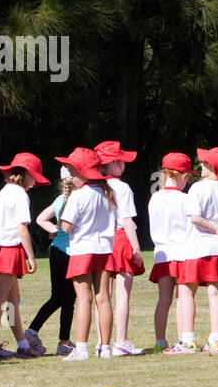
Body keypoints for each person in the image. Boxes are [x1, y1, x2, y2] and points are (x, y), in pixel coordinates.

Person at [0, 151, 46, 361]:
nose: (35, 181)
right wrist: (31, 257)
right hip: (9, 248)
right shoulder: (19, 194)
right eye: (34, 175)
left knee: (12, 301)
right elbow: (22, 228)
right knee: (1, 300)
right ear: (25, 174)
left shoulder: (6, 191)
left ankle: (23, 344)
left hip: (2, 247)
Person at [57, 147, 116, 361]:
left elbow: (66, 227)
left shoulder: (78, 196)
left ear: (85, 173)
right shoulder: (108, 193)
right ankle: (106, 347)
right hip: (105, 250)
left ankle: (81, 348)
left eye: (73, 173)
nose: (70, 178)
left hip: (82, 250)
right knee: (104, 299)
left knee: (84, 299)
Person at [176, 147, 218, 354]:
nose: (201, 165)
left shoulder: (198, 188)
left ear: (214, 167)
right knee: (215, 293)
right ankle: (216, 339)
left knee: (185, 291)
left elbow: (195, 218)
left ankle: (188, 339)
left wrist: (215, 229)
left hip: (197, 247)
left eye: (206, 163)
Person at [95, 140, 146, 356]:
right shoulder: (122, 187)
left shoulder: (94, 186)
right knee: (123, 295)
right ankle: (121, 341)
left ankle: (101, 342)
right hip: (121, 238)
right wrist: (137, 248)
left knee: (102, 295)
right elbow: (126, 220)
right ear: (115, 164)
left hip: (101, 241)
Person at [26, 166, 77, 357]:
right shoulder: (75, 199)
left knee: (57, 297)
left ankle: (32, 331)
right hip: (69, 252)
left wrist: (55, 231)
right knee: (68, 300)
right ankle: (64, 342)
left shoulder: (59, 200)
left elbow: (40, 218)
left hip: (55, 250)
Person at [149, 152, 192, 352]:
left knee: (163, 298)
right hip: (182, 251)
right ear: (182, 175)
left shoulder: (154, 198)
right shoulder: (185, 199)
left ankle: (160, 340)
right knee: (182, 297)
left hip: (162, 253)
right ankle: (183, 338)